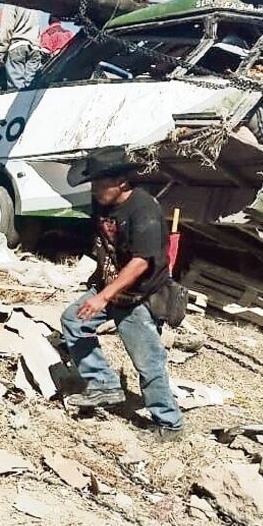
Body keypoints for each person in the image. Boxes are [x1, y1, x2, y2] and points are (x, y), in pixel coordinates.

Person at [59, 146, 183, 442]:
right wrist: (98, 284)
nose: (95, 191)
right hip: (109, 286)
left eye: (101, 185)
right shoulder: (104, 205)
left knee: (148, 362)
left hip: (137, 296)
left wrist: (104, 297)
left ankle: (169, 424)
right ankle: (104, 384)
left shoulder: (144, 209)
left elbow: (141, 261)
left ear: (122, 183)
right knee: (73, 321)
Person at [0, 4, 41, 90]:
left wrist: (1, 53)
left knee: (16, 89)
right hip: (34, 47)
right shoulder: (33, 4)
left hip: (17, 46)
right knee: (30, 88)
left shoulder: (11, 3)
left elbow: (7, 29)